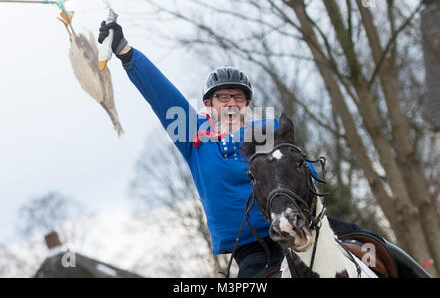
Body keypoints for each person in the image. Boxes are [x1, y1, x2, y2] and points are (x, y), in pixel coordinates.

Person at [97, 21, 429, 278]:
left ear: (247, 104)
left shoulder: (263, 132)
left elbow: (302, 172)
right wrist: (126, 52)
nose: (230, 102)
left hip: (307, 226)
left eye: (238, 97)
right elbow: (161, 94)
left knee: (376, 246)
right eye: (222, 97)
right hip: (254, 249)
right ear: (208, 105)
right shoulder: (192, 136)